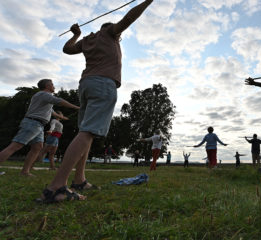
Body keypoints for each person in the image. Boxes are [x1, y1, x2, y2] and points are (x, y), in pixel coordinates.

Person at [38, 0, 154, 203]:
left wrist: (75, 34)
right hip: (103, 85)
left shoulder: (88, 40)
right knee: (88, 132)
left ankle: (79, 179)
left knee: (87, 132)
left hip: (86, 84)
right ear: (110, 29)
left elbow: (67, 49)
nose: (119, 35)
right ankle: (57, 187)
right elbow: (129, 18)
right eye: (118, 33)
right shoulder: (109, 33)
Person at [0, 79, 78, 177]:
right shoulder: (44, 94)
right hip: (33, 123)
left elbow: (52, 112)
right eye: (52, 85)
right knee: (15, 146)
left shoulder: (44, 98)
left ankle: (25, 172)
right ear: (47, 86)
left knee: (37, 147)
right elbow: (59, 101)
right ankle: (24, 171)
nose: (54, 86)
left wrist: (62, 117)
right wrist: (77, 107)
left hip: (39, 125)